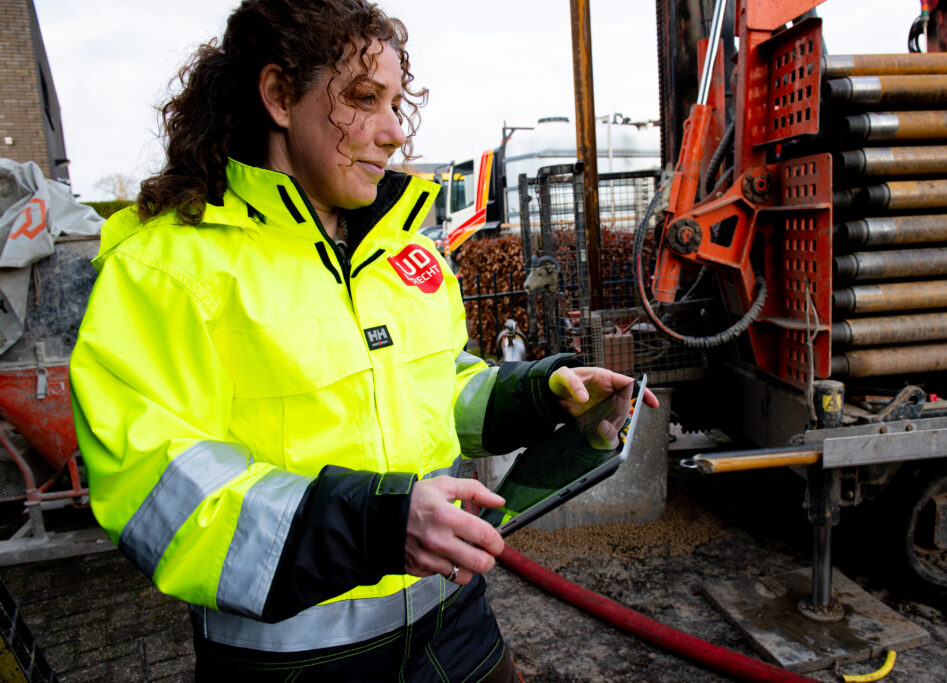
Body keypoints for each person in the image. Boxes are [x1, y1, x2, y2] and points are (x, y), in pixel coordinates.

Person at [69, 1, 657, 680]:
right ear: (280, 96)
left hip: (455, 629)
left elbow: (441, 386)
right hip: (294, 661)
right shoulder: (165, 270)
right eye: (363, 98)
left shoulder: (405, 250)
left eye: (397, 105)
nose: (391, 133)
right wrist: (374, 526)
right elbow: (156, 485)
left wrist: (539, 393)